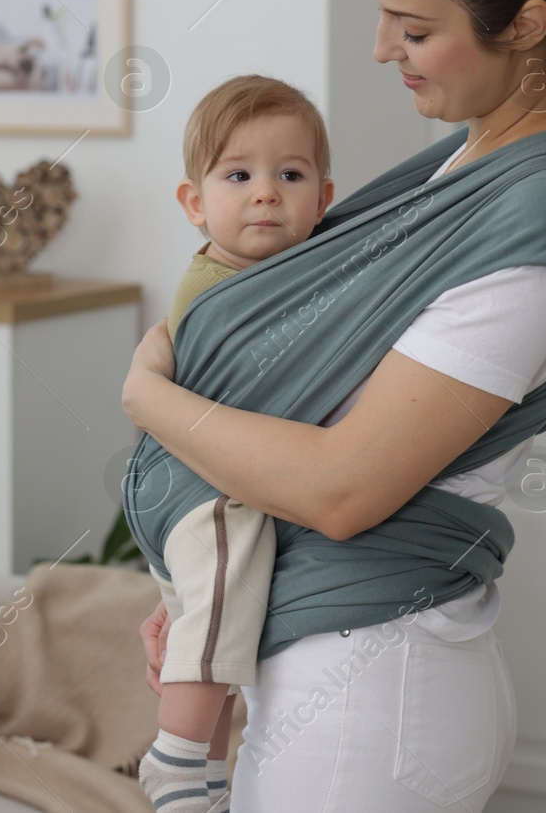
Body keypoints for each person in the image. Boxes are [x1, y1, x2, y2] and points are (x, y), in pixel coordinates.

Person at [122, 0, 546, 811]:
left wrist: (147, 394)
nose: (382, 49)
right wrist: (206, 602)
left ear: (527, 22)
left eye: (412, 29)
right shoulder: (468, 165)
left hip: (372, 691)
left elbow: (341, 487)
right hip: (329, 664)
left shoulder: (540, 216)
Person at [132, 73, 335, 812]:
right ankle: (176, 761)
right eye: (239, 175)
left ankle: (209, 784)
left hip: (168, 484)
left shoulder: (257, 271)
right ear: (195, 203)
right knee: (223, 594)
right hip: (200, 487)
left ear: (324, 196)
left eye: (290, 174)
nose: (266, 194)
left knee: (209, 637)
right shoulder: (224, 289)